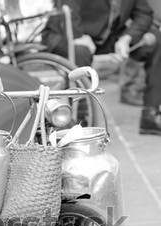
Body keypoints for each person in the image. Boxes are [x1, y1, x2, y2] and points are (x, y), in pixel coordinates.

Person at [42, 0, 161, 135]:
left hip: (105, 38)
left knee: (157, 39)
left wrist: (127, 37)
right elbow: (66, 8)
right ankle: (80, 121)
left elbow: (144, 13)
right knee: (80, 51)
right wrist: (78, 35)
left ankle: (150, 114)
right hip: (66, 32)